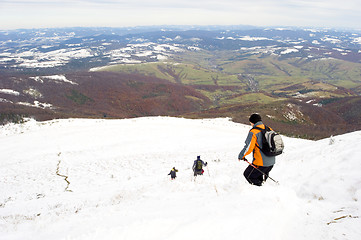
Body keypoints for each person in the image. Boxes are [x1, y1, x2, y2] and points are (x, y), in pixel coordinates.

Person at [238, 113, 275, 186]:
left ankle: (259, 191)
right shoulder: (268, 128)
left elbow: (248, 147)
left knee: (248, 175)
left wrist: (241, 156)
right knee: (259, 177)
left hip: (261, 163)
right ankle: (264, 189)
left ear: (252, 122)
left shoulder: (253, 132)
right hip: (271, 162)